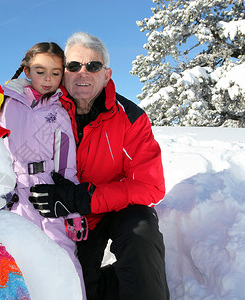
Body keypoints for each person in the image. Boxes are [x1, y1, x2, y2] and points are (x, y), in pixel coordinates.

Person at [28, 32, 170, 299]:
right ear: (62, 73)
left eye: (93, 66)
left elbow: (151, 186)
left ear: (106, 74)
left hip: (113, 210)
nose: (83, 73)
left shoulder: (131, 118)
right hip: (66, 217)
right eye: (73, 66)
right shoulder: (40, 112)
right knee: (76, 285)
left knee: (141, 231)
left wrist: (86, 197)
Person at [0, 42, 87, 298]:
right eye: (40, 71)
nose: (48, 79)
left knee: (62, 255)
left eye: (56, 73)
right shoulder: (4, 104)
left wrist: (72, 209)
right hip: (12, 194)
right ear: (26, 71)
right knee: (19, 259)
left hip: (49, 193)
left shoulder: (59, 112)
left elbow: (67, 163)